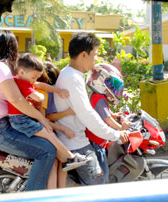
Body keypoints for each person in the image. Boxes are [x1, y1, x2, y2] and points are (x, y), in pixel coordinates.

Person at [0, 30, 56, 191]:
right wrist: (42, 119)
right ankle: (33, 197)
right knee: (47, 151)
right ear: (11, 47)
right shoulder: (0, 68)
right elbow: (16, 100)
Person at [54, 32, 129, 185]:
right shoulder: (72, 78)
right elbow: (87, 114)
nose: (96, 59)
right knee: (99, 186)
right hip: (76, 143)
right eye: (94, 54)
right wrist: (115, 134)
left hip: (75, 139)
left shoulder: (72, 74)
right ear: (83, 55)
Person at [8, 53, 91, 173]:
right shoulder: (23, 84)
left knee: (49, 135)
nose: (35, 81)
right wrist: (42, 96)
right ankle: (72, 158)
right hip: (21, 120)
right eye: (33, 77)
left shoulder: (21, 80)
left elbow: (40, 85)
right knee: (49, 133)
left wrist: (58, 90)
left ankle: (67, 157)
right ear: (21, 72)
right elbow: (38, 97)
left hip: (23, 119)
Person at [85, 63, 132, 183]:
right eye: (111, 84)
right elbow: (107, 119)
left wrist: (116, 115)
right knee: (103, 175)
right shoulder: (99, 98)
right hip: (97, 142)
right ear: (100, 82)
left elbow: (107, 113)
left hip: (98, 139)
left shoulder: (98, 96)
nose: (113, 89)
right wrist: (121, 128)